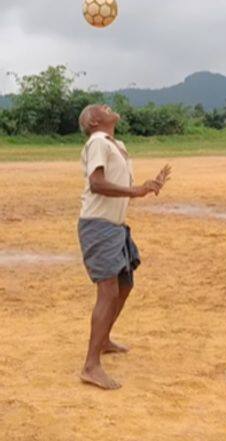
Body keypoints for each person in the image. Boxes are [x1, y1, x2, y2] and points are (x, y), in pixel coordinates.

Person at [77, 104, 171, 389]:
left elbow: (120, 188)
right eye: (101, 108)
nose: (109, 107)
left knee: (125, 285)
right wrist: (136, 190)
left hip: (114, 227)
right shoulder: (97, 143)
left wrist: (147, 187)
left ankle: (103, 339)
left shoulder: (116, 145)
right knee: (107, 292)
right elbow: (97, 184)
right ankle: (91, 366)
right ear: (94, 121)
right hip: (99, 226)